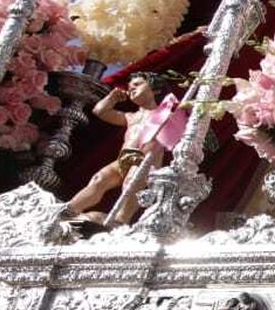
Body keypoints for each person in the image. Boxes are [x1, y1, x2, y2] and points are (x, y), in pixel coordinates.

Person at [67, 72, 188, 222]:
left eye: (137, 85)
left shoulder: (165, 114)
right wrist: (111, 98)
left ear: (155, 90)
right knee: (100, 178)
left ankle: (121, 220)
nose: (131, 89)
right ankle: (69, 210)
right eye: (130, 87)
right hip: (124, 159)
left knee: (131, 184)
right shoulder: (131, 117)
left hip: (145, 161)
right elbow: (100, 111)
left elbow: (183, 124)